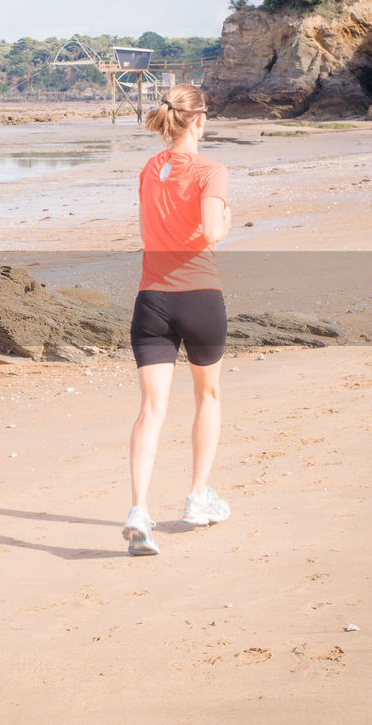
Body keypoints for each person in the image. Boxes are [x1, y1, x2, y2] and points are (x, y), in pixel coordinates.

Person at [123, 84, 232, 556]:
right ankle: (195, 499)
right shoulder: (212, 170)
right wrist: (226, 215)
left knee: (150, 411)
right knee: (207, 396)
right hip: (199, 297)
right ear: (201, 121)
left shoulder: (150, 169)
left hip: (152, 301)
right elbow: (210, 232)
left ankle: (138, 511)